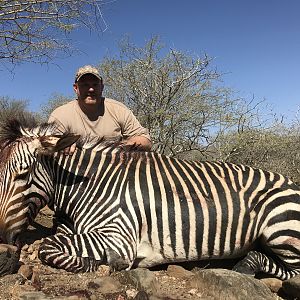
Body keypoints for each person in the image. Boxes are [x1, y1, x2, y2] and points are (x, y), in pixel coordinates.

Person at [49, 65, 152, 152]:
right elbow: (48, 144)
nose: (91, 89)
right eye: (85, 85)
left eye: (95, 84)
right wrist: (62, 146)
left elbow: (145, 140)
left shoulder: (119, 110)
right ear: (76, 88)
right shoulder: (60, 115)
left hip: (114, 169)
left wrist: (122, 147)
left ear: (102, 87)